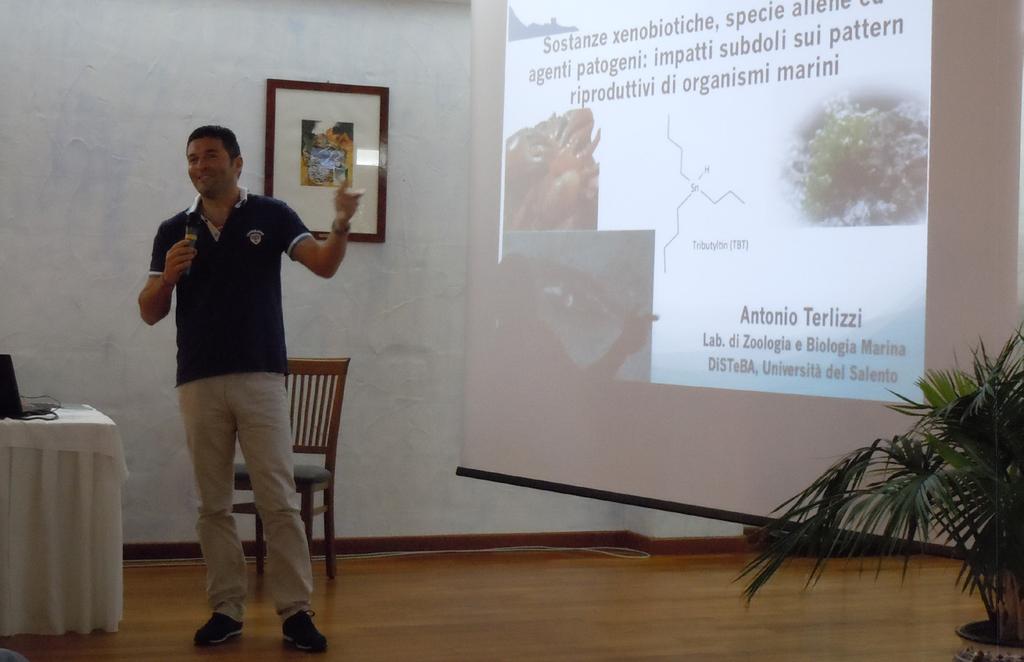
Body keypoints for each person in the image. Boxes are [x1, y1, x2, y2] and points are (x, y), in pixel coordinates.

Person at [138, 125, 361, 653]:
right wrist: (166, 277)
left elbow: (324, 266)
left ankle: (296, 613)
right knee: (211, 504)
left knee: (278, 500)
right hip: (198, 379)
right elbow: (149, 312)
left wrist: (342, 225)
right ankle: (226, 609)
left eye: (210, 156)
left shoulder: (273, 215)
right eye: (191, 158)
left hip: (261, 376)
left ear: (237, 163)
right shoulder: (175, 228)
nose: (199, 166)